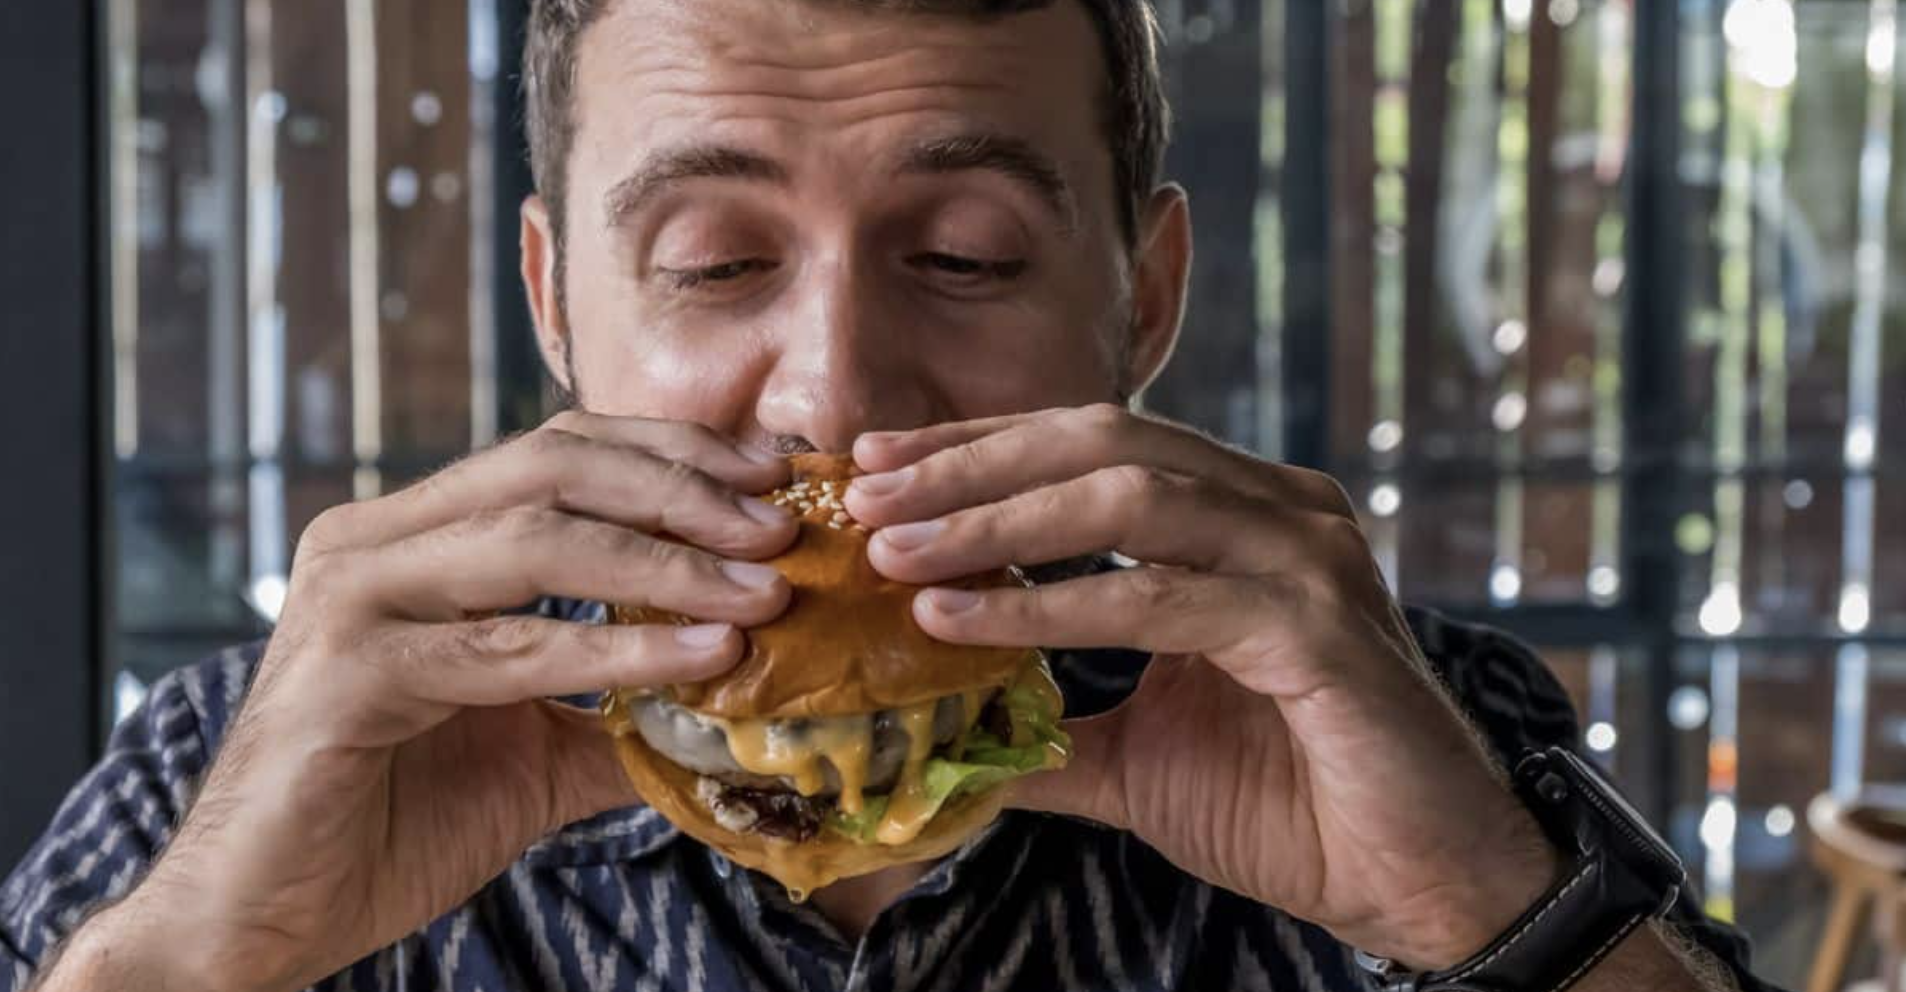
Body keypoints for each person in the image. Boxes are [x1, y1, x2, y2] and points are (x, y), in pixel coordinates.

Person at [3, 1, 1782, 989]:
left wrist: (1495, 917)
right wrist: (198, 962)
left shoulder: (1406, 725)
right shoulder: (230, 779)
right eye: (711, 264)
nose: (836, 395)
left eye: (963, 253)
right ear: (557, 307)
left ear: (1141, 303)